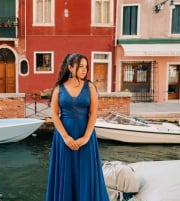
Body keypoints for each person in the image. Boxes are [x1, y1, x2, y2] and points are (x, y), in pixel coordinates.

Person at [45, 53, 109, 201]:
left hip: (86, 137)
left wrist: (86, 137)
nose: (84, 70)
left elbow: (93, 113)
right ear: (70, 67)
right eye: (81, 66)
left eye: (86, 67)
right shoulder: (59, 88)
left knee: (87, 174)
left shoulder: (90, 87)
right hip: (64, 138)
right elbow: (54, 114)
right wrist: (66, 138)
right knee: (65, 174)